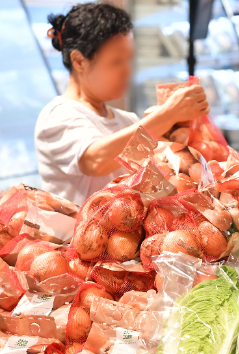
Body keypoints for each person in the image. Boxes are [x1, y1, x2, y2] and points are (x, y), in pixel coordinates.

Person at [35, 3, 209, 204]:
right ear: (79, 61)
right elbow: (95, 160)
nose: (127, 70)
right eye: (116, 61)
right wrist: (166, 116)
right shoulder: (57, 115)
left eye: (129, 59)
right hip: (78, 234)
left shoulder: (126, 120)